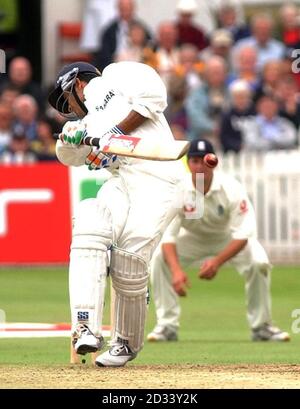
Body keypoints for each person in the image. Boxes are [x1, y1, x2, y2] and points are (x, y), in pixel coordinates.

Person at [48, 61, 186, 367]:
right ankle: (85, 326)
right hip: (123, 181)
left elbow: (154, 98)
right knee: (88, 221)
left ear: (78, 85)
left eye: (68, 102)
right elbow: (70, 156)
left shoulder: (117, 75)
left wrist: (114, 133)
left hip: (161, 179)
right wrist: (69, 139)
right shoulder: (87, 125)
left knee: (129, 259)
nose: (72, 111)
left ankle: (125, 342)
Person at [147, 138, 290, 343]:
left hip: (227, 239)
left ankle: (262, 326)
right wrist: (177, 271)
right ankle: (167, 325)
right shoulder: (180, 190)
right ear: (188, 164)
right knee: (160, 258)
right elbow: (169, 236)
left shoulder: (230, 188)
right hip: (193, 239)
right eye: (194, 161)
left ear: (213, 162)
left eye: (204, 160)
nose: (199, 166)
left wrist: (216, 262)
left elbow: (244, 233)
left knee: (259, 262)